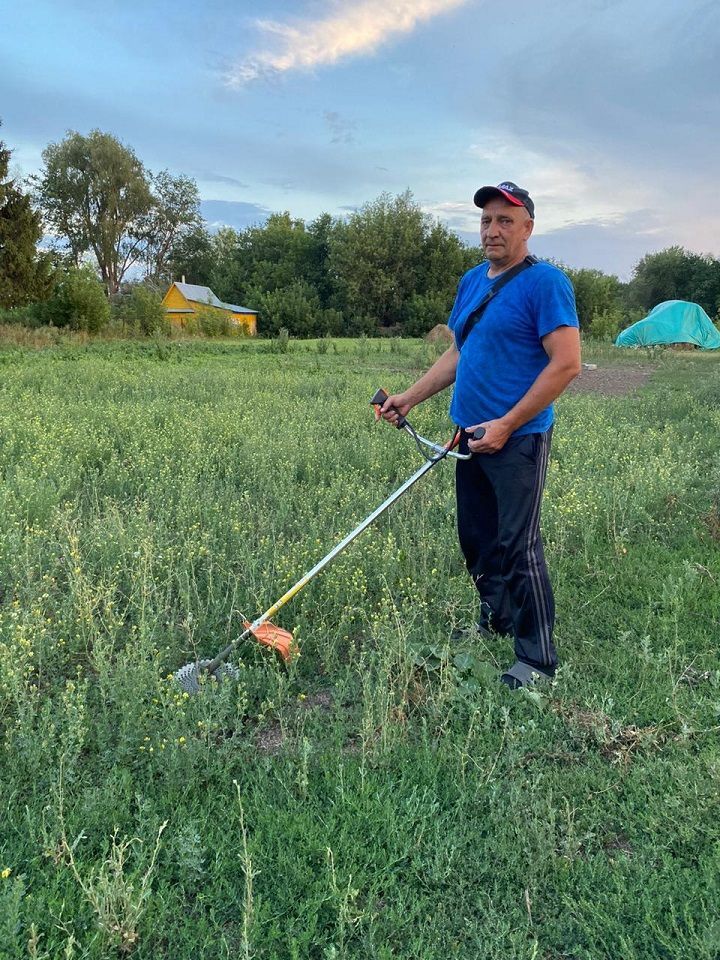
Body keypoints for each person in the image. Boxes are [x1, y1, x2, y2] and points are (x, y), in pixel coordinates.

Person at [381, 181, 581, 689]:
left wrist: (508, 423)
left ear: (528, 228)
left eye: (505, 221)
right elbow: (459, 352)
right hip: (468, 435)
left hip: (517, 439)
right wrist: (409, 397)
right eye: (487, 221)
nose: (493, 230)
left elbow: (567, 365)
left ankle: (536, 660)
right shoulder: (473, 280)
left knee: (518, 545)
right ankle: (498, 616)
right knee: (476, 539)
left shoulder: (547, 284)